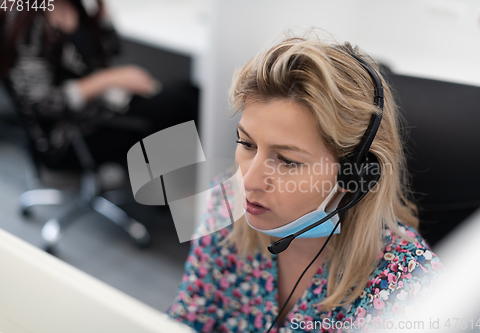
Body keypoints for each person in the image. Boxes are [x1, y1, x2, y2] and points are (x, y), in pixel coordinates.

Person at [166, 31, 444, 333]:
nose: (249, 181)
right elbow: (187, 319)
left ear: (355, 175)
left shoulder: (408, 284)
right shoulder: (226, 204)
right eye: (246, 144)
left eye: (287, 161)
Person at [0, 0, 198, 170]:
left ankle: (167, 193)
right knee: (181, 104)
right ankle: (168, 195)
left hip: (100, 109)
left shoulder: (74, 5)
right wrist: (109, 79)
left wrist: (101, 9)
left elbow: (111, 49)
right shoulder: (28, 18)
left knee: (188, 92)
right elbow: (43, 103)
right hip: (67, 136)